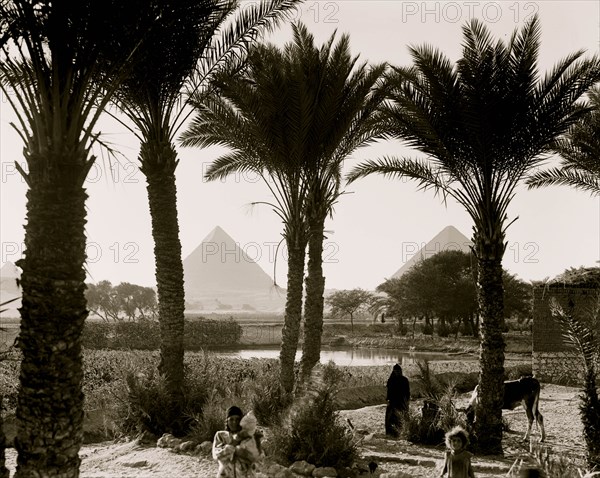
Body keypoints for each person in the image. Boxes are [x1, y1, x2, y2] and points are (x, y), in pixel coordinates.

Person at [212, 406, 260, 478]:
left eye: (237, 419)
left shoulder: (249, 437)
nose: (234, 422)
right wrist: (235, 442)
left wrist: (245, 453)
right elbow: (217, 456)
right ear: (227, 421)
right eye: (231, 419)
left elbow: (257, 459)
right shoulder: (220, 435)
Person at [385, 363, 410, 437]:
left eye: (398, 371)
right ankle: (391, 433)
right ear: (394, 371)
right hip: (393, 402)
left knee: (400, 417)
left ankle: (401, 432)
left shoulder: (404, 380)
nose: (397, 373)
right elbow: (389, 391)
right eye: (396, 371)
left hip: (401, 402)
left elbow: (407, 392)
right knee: (391, 418)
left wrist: (407, 401)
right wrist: (388, 400)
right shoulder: (391, 380)